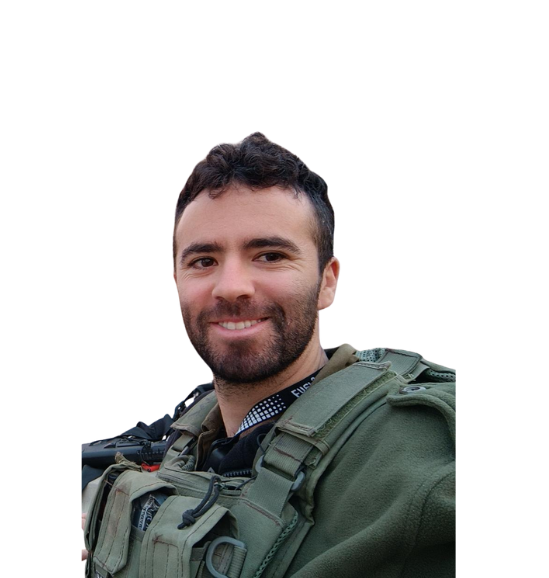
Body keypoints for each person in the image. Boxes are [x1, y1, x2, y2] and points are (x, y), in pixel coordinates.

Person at [81, 132, 456, 576]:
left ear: (328, 281)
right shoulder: (199, 418)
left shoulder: (421, 450)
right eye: (204, 261)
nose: (231, 287)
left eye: (270, 255)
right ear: (178, 283)